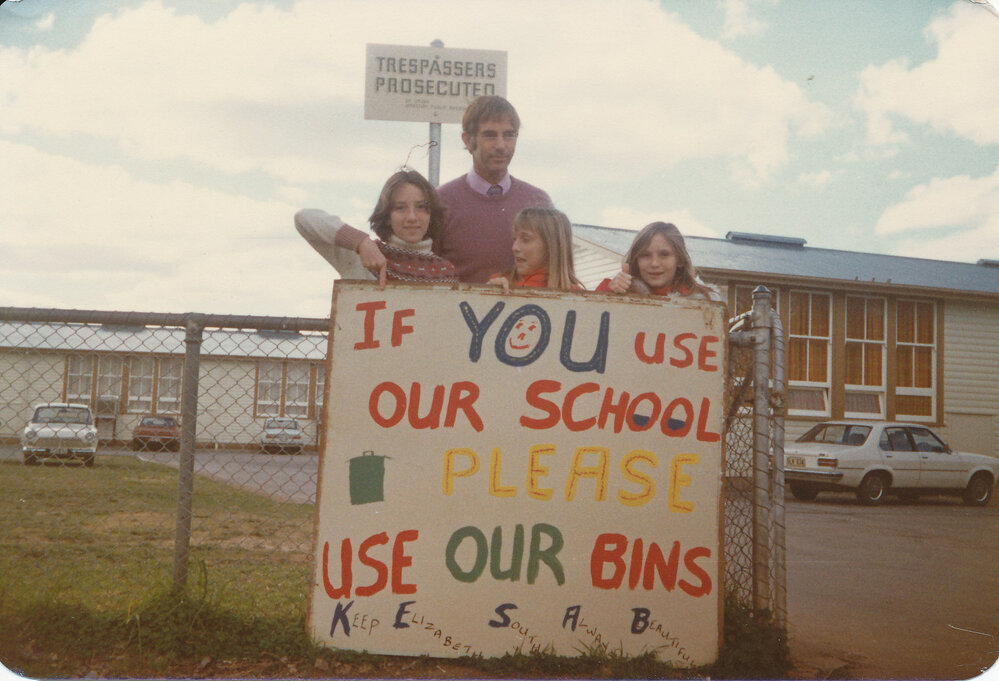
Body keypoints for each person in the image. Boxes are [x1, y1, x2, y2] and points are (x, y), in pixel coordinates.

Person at [435, 96, 554, 283]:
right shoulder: (440, 201)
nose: (501, 145)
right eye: (490, 135)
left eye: (509, 135)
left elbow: (559, 273)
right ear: (467, 140)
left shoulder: (539, 201)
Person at [295, 169, 457, 286]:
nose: (412, 217)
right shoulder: (361, 258)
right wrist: (361, 242)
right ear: (387, 216)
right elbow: (303, 218)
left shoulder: (445, 271)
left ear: (431, 214)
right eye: (400, 208)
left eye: (421, 207)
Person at [596, 221, 722, 301]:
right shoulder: (612, 289)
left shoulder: (703, 299)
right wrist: (610, 295)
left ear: (680, 260)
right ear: (636, 261)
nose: (654, 263)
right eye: (645, 255)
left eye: (664, 255)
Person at [487, 207, 584, 292]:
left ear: (550, 246)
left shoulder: (576, 297)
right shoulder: (500, 283)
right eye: (514, 239)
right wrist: (488, 294)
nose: (514, 248)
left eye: (525, 240)